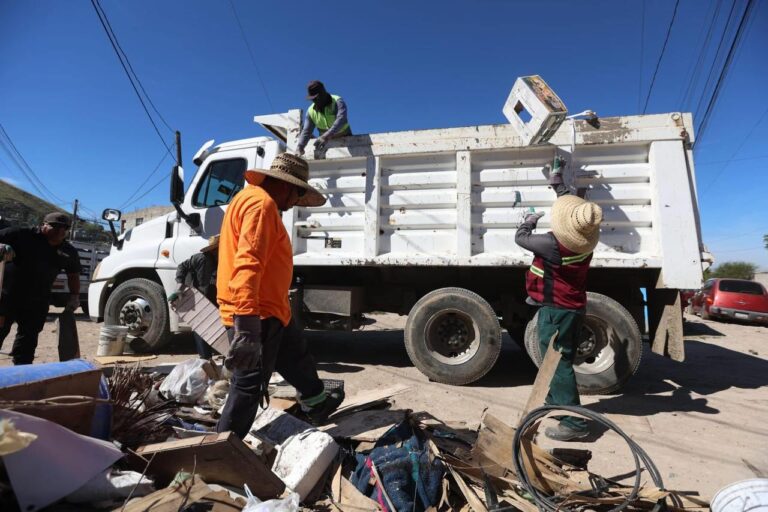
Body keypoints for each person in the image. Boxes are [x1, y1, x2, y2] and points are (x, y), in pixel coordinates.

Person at [216, 153, 344, 438]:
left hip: (272, 312)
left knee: (296, 357)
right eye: (298, 194)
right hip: (256, 313)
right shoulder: (262, 206)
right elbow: (248, 261)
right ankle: (219, 453)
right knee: (248, 385)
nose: (296, 202)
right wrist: (247, 328)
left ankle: (317, 403)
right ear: (286, 186)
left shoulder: (248, 199)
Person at [515, 156, 603, 441]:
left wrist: (528, 221)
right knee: (561, 359)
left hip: (556, 311)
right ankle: (559, 401)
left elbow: (522, 238)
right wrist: (558, 181)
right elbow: (574, 210)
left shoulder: (552, 244)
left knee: (557, 361)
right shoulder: (586, 239)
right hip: (575, 306)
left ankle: (574, 424)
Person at [0, 212, 82, 365]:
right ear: (43, 225)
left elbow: (73, 275)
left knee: (28, 340)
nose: (60, 231)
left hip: (37, 301)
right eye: (55, 226)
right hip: (7, 296)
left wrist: (75, 296)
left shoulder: (68, 251)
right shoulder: (21, 235)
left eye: (65, 228)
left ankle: (21, 373)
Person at [168, 235, 220, 359]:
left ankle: (213, 354)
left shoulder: (225, 260)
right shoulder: (200, 258)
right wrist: (179, 286)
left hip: (216, 297)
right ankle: (205, 358)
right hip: (201, 297)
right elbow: (182, 267)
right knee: (201, 327)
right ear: (213, 249)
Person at [295, 80, 352, 156]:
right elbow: (307, 131)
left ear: (322, 94)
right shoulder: (310, 111)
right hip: (326, 142)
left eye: (315, 98)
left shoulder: (337, 101)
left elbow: (341, 120)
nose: (313, 101)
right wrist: (300, 147)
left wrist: (326, 136)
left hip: (345, 137)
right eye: (312, 99)